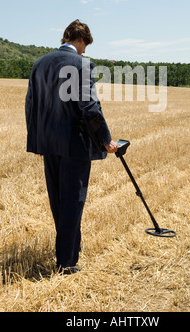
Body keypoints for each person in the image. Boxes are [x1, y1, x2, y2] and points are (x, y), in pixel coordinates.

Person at [25, 19, 117, 274]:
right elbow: (89, 107)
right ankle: (66, 261)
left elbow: (31, 105)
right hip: (74, 145)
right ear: (80, 40)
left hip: (48, 143)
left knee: (58, 200)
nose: (84, 52)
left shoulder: (39, 63)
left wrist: (37, 140)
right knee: (73, 200)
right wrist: (105, 139)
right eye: (84, 46)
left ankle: (70, 246)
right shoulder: (81, 64)